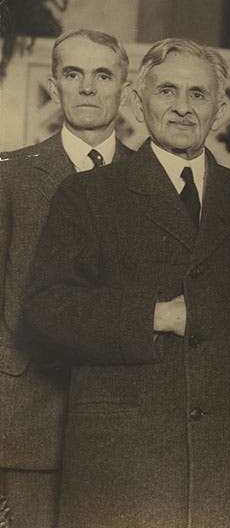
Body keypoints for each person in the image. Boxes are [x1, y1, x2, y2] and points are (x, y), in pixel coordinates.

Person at [23, 38, 230, 528]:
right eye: (167, 91)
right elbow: (47, 310)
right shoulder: (89, 194)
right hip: (125, 459)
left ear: (220, 110)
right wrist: (153, 315)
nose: (181, 107)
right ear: (138, 100)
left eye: (198, 95)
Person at [0, 29, 133, 528]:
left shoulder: (149, 178)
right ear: (54, 87)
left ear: (125, 87)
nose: (88, 88)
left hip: (120, 416)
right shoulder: (11, 175)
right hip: (26, 414)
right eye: (73, 75)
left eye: (103, 75)